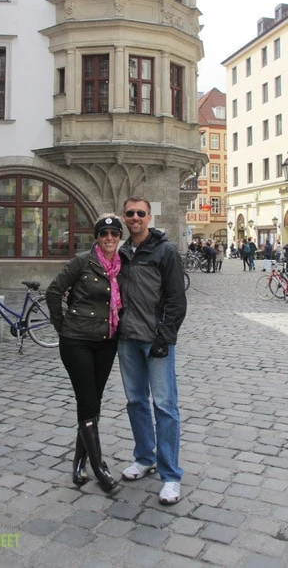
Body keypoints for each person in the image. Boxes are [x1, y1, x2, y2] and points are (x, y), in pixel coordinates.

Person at [45, 215, 123, 493]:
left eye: (114, 233)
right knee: (87, 399)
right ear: (97, 237)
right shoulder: (82, 261)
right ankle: (99, 467)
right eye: (104, 233)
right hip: (76, 340)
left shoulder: (122, 265)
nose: (109, 238)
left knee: (93, 402)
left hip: (106, 341)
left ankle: (79, 463)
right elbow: (53, 292)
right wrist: (61, 325)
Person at [117, 196, 187, 505]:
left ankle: (170, 475)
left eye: (140, 213)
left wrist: (165, 336)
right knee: (135, 402)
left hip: (156, 340)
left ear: (149, 217)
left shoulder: (165, 251)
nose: (135, 217)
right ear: (124, 216)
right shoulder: (120, 253)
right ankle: (144, 457)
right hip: (128, 339)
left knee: (165, 406)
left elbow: (177, 300)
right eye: (130, 213)